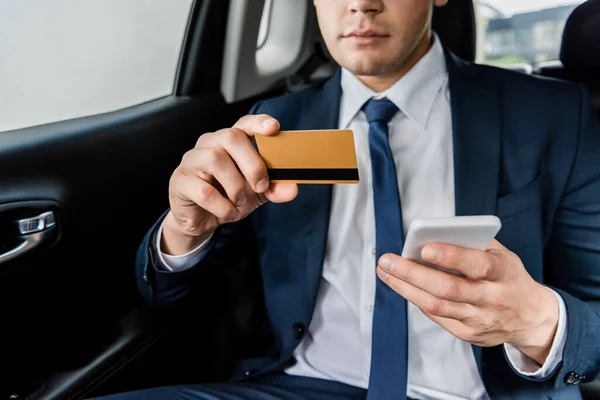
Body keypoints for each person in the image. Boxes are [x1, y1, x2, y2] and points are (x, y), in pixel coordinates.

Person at [97, 0, 600, 399]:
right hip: (296, 386)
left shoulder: (554, 115)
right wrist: (186, 230)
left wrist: (536, 319)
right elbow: (171, 299)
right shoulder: (272, 122)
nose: (361, 3)